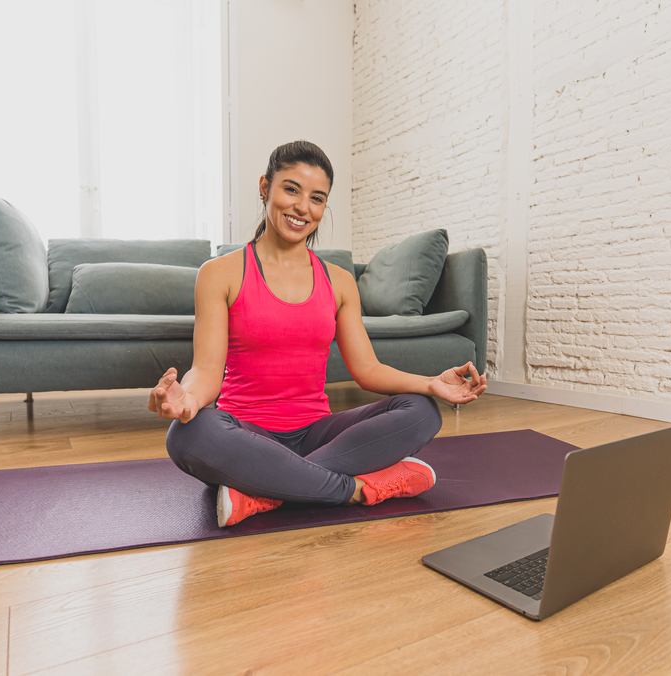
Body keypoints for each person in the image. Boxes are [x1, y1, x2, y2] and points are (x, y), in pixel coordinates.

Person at [149, 140, 487, 527]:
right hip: (244, 433)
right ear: (265, 187)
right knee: (186, 435)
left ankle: (263, 491)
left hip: (318, 433)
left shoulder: (340, 282)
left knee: (421, 411)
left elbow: (367, 369)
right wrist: (188, 400)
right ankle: (358, 490)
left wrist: (431, 384)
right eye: (291, 189)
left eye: (317, 198)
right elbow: (207, 371)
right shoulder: (220, 273)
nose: (302, 208)